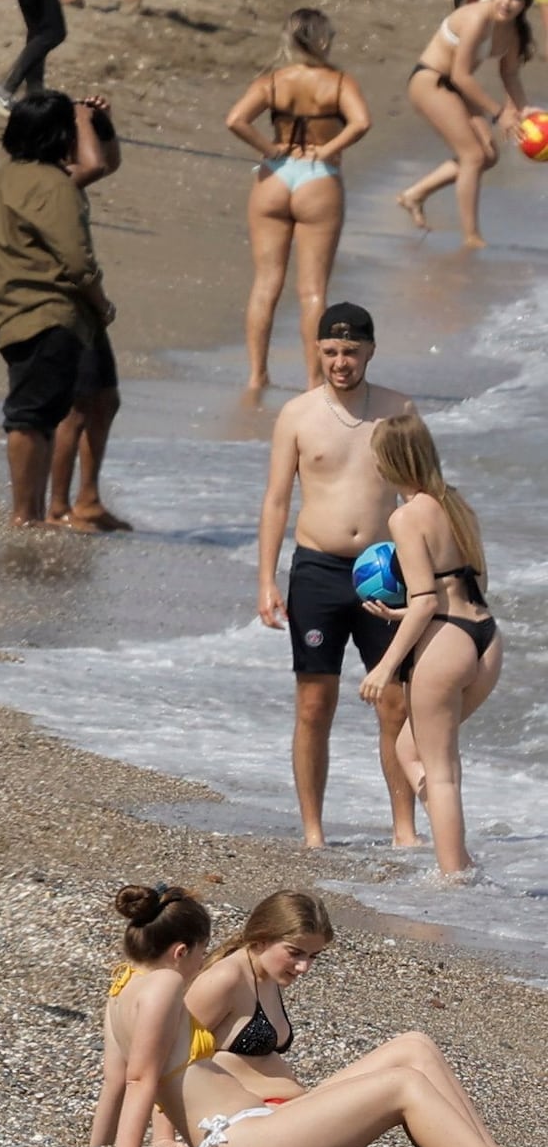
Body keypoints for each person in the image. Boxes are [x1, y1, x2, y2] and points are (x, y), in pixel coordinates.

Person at [93, 880, 548, 1147]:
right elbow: (141, 1078)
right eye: (296, 953)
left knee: (414, 1046)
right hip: (238, 1136)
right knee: (403, 1085)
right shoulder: (172, 984)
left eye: (314, 957)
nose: (204, 960)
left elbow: (118, 1077)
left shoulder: (121, 990)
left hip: (254, 1123)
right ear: (180, 950)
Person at [258, 304, 415, 849]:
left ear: (371, 350)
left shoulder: (398, 410)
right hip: (318, 570)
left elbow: (421, 497)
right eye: (330, 351)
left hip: (385, 571)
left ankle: (404, 830)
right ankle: (313, 832)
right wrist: (266, 580)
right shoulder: (298, 415)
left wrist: (435, 578)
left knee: (395, 701)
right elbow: (277, 500)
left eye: (351, 351)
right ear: (318, 351)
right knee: (314, 703)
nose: (340, 362)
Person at [361, 410, 506, 881]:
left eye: (379, 459)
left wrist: (384, 667)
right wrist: (402, 614)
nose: (377, 468)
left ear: (393, 461)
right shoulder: (459, 505)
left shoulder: (405, 517)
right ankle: (458, 855)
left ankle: (453, 879)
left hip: (445, 644)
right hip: (484, 637)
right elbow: (468, 583)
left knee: (438, 769)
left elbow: (424, 601)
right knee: (412, 748)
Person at [0, 86, 125, 530]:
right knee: (31, 418)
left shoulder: (16, 175)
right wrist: (102, 302)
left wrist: (93, 122)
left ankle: (39, 511)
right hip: (44, 310)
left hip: (28, 310)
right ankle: (29, 514)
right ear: (58, 136)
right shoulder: (50, 185)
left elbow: (100, 163)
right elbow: (78, 262)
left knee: (46, 414)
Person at [220, 16, 367, 397]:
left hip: (275, 176)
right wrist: (330, 150)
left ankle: (256, 376)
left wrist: (268, 148)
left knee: (266, 283)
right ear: (323, 41)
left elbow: (235, 119)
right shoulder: (337, 82)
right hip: (318, 178)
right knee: (313, 289)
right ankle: (314, 382)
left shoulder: (273, 80)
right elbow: (361, 122)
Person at [392, 0, 535, 240]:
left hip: (457, 87)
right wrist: (499, 113)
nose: (506, 2)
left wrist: (524, 111)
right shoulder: (478, 18)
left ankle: (414, 195)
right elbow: (460, 74)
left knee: (489, 156)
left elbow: (510, 74)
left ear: (524, 4)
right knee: (473, 156)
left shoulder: (513, 32)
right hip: (430, 81)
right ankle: (472, 237)